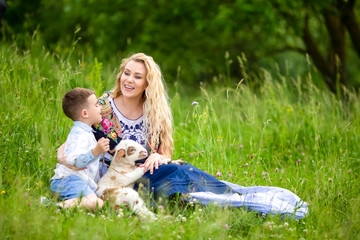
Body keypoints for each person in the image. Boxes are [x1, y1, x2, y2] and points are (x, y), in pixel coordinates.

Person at [58, 53, 308, 219]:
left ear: (147, 83)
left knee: (182, 170)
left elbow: (165, 152)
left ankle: (241, 194)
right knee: (181, 191)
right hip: (117, 183)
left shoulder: (153, 113)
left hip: (151, 171)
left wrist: (159, 156)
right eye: (126, 73)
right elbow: (74, 140)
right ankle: (238, 202)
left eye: (137, 76)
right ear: (119, 75)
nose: (129, 80)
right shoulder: (101, 106)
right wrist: (64, 157)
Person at [51, 87, 109, 210]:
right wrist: (96, 151)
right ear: (85, 114)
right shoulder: (80, 135)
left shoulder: (84, 131)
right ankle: (52, 207)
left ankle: (69, 202)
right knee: (96, 203)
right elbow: (76, 161)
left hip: (74, 180)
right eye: (96, 105)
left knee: (97, 200)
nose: (100, 107)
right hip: (69, 180)